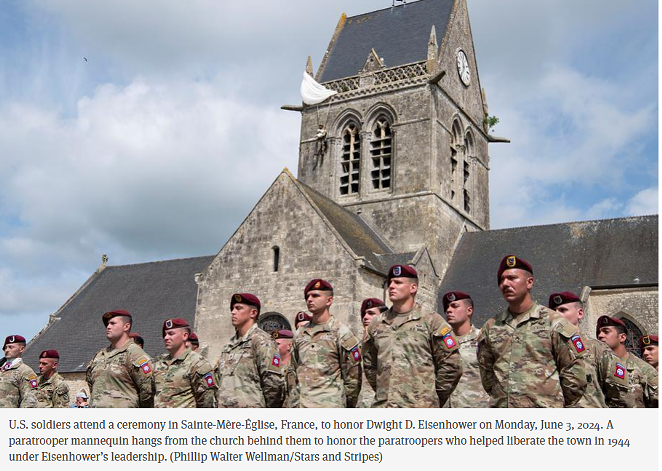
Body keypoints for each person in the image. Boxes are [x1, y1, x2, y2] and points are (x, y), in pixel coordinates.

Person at [477, 255, 588, 407]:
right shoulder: (491, 327)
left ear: (529, 282)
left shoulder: (554, 323)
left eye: (512, 278)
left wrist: (552, 404)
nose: (505, 284)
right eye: (501, 280)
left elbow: (575, 374)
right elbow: (487, 376)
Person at [363, 265, 462, 407]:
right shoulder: (376, 324)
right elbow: (369, 364)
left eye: (398, 282)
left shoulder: (431, 321)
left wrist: (431, 397)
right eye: (390, 282)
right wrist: (385, 392)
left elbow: (452, 364)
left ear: (413, 288)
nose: (391, 286)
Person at [549, 292, 629, 407]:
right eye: (553, 311)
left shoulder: (598, 349)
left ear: (580, 313)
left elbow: (619, 392)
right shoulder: (543, 348)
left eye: (563, 310)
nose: (556, 315)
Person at [293, 279, 362, 407]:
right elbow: (294, 369)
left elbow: (352, 377)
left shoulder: (341, 333)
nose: (309, 299)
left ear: (329, 300)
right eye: (308, 296)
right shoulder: (300, 334)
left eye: (315, 295)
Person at [215, 293, 284, 407]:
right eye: (232, 308)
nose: (233, 312)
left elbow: (273, 383)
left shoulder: (262, 341)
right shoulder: (229, 346)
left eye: (239, 308)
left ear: (253, 313)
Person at [86, 310, 155, 408]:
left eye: (113, 323)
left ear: (126, 327)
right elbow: (92, 386)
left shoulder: (135, 354)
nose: (108, 327)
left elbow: (148, 390)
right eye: (107, 324)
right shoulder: (99, 356)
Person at [442, 291, 490, 407]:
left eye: (454, 306)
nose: (449, 310)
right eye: (447, 307)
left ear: (469, 310)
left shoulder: (483, 340)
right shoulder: (440, 342)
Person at [153, 318, 216, 407]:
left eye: (171, 334)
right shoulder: (159, 364)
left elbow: (207, 400)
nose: (166, 338)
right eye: (165, 334)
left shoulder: (197, 363)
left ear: (185, 336)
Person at [597, 316, 658, 407]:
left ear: (622, 337)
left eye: (606, 331)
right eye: (599, 332)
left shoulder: (644, 370)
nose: (600, 336)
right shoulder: (594, 367)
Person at [356, 298, 385, 408]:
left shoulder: (387, 345)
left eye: (371, 313)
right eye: (364, 314)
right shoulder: (356, 345)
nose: (365, 317)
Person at [0, 335, 38, 408]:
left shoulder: (25, 371)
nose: (7, 350)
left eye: (11, 347)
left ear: (22, 349)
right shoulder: (1, 369)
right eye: (5, 347)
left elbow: (30, 400)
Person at [273, 329, 298, 408]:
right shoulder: (273, 365)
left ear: (289, 345)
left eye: (278, 344)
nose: (274, 347)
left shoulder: (295, 368)